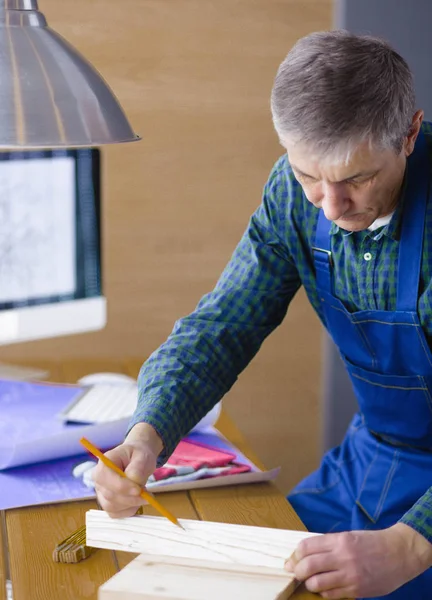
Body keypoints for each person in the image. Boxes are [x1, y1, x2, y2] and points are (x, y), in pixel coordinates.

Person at [92, 30, 432, 599]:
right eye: (307, 177)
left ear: (409, 135)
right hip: (367, 460)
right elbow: (223, 324)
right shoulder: (291, 194)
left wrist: (412, 544)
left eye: (356, 178)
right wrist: (148, 433)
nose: (329, 204)